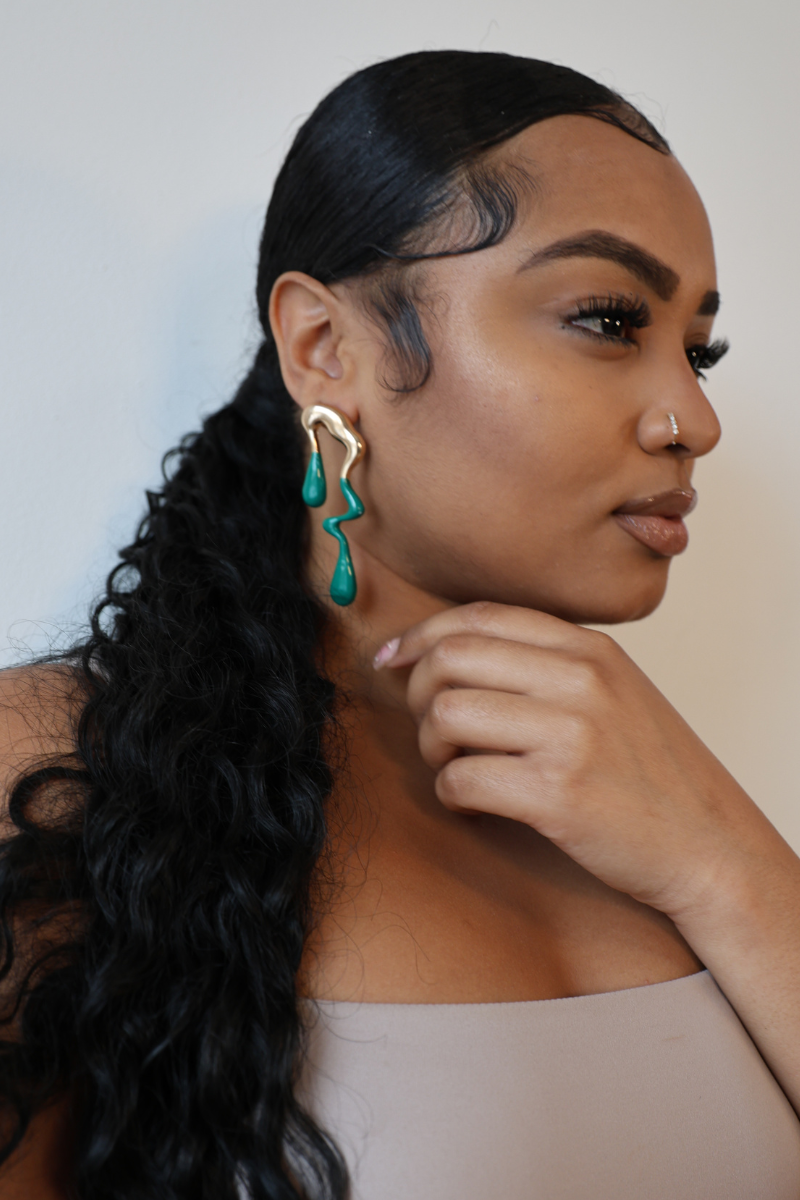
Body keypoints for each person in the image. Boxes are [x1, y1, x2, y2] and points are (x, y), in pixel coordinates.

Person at [0, 49, 799, 1200]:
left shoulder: (648, 790)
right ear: (326, 348)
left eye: (697, 349)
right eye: (607, 318)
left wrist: (721, 856)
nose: (692, 418)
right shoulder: (68, 782)